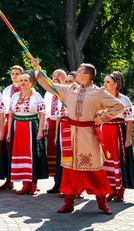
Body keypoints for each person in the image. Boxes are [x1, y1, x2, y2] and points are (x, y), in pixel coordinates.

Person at [31, 58, 124, 215]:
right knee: (69, 169)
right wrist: (37, 69)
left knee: (94, 169)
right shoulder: (70, 89)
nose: (76, 73)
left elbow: (118, 106)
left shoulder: (98, 92)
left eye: (80, 71)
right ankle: (69, 202)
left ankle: (102, 203)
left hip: (89, 136)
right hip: (71, 134)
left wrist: (101, 118)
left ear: (87, 76)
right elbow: (49, 85)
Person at [8, 71, 48, 195]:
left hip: (31, 127)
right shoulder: (15, 96)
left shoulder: (36, 96)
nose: (23, 83)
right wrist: (9, 131)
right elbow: (10, 115)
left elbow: (42, 115)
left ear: (32, 83)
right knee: (19, 154)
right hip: (18, 127)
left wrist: (40, 131)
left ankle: (33, 185)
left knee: (32, 155)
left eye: (26, 80)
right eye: (22, 80)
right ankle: (25, 184)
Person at [102, 71, 134, 202]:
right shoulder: (102, 98)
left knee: (119, 160)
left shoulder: (123, 99)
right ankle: (110, 190)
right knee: (106, 161)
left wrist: (128, 139)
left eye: (108, 82)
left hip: (118, 132)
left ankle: (120, 190)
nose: (104, 84)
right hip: (104, 131)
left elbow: (129, 120)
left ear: (116, 85)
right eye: (104, 81)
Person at [52, 71, 77, 194]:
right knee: (62, 158)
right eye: (66, 81)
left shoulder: (78, 97)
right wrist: (57, 135)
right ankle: (62, 185)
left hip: (73, 129)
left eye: (70, 81)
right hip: (62, 130)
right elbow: (58, 117)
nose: (67, 84)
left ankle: (76, 186)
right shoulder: (61, 98)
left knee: (73, 158)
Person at [0, 65, 23, 190]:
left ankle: (28, 180)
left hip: (22, 120)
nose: (15, 76)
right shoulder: (7, 90)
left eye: (17, 73)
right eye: (13, 73)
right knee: (9, 150)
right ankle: (9, 179)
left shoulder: (27, 88)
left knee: (22, 149)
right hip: (9, 120)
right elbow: (3, 110)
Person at [44, 69, 67, 193]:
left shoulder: (65, 92)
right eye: (54, 75)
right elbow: (46, 111)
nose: (55, 77)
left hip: (63, 124)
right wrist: (44, 127)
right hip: (51, 124)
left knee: (63, 153)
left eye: (59, 75)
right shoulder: (48, 93)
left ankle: (65, 181)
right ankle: (56, 181)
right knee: (52, 153)